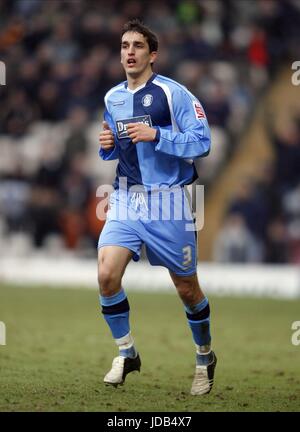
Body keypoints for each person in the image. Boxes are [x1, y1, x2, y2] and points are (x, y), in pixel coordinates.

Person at [98, 19, 217, 396]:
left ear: (153, 55)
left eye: (136, 46)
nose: (129, 52)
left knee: (186, 288)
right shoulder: (112, 98)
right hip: (125, 197)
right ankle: (127, 352)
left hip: (169, 201)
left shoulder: (174, 93)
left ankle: (204, 355)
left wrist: (158, 135)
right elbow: (117, 146)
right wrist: (107, 144)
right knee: (106, 275)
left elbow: (202, 142)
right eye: (123, 46)